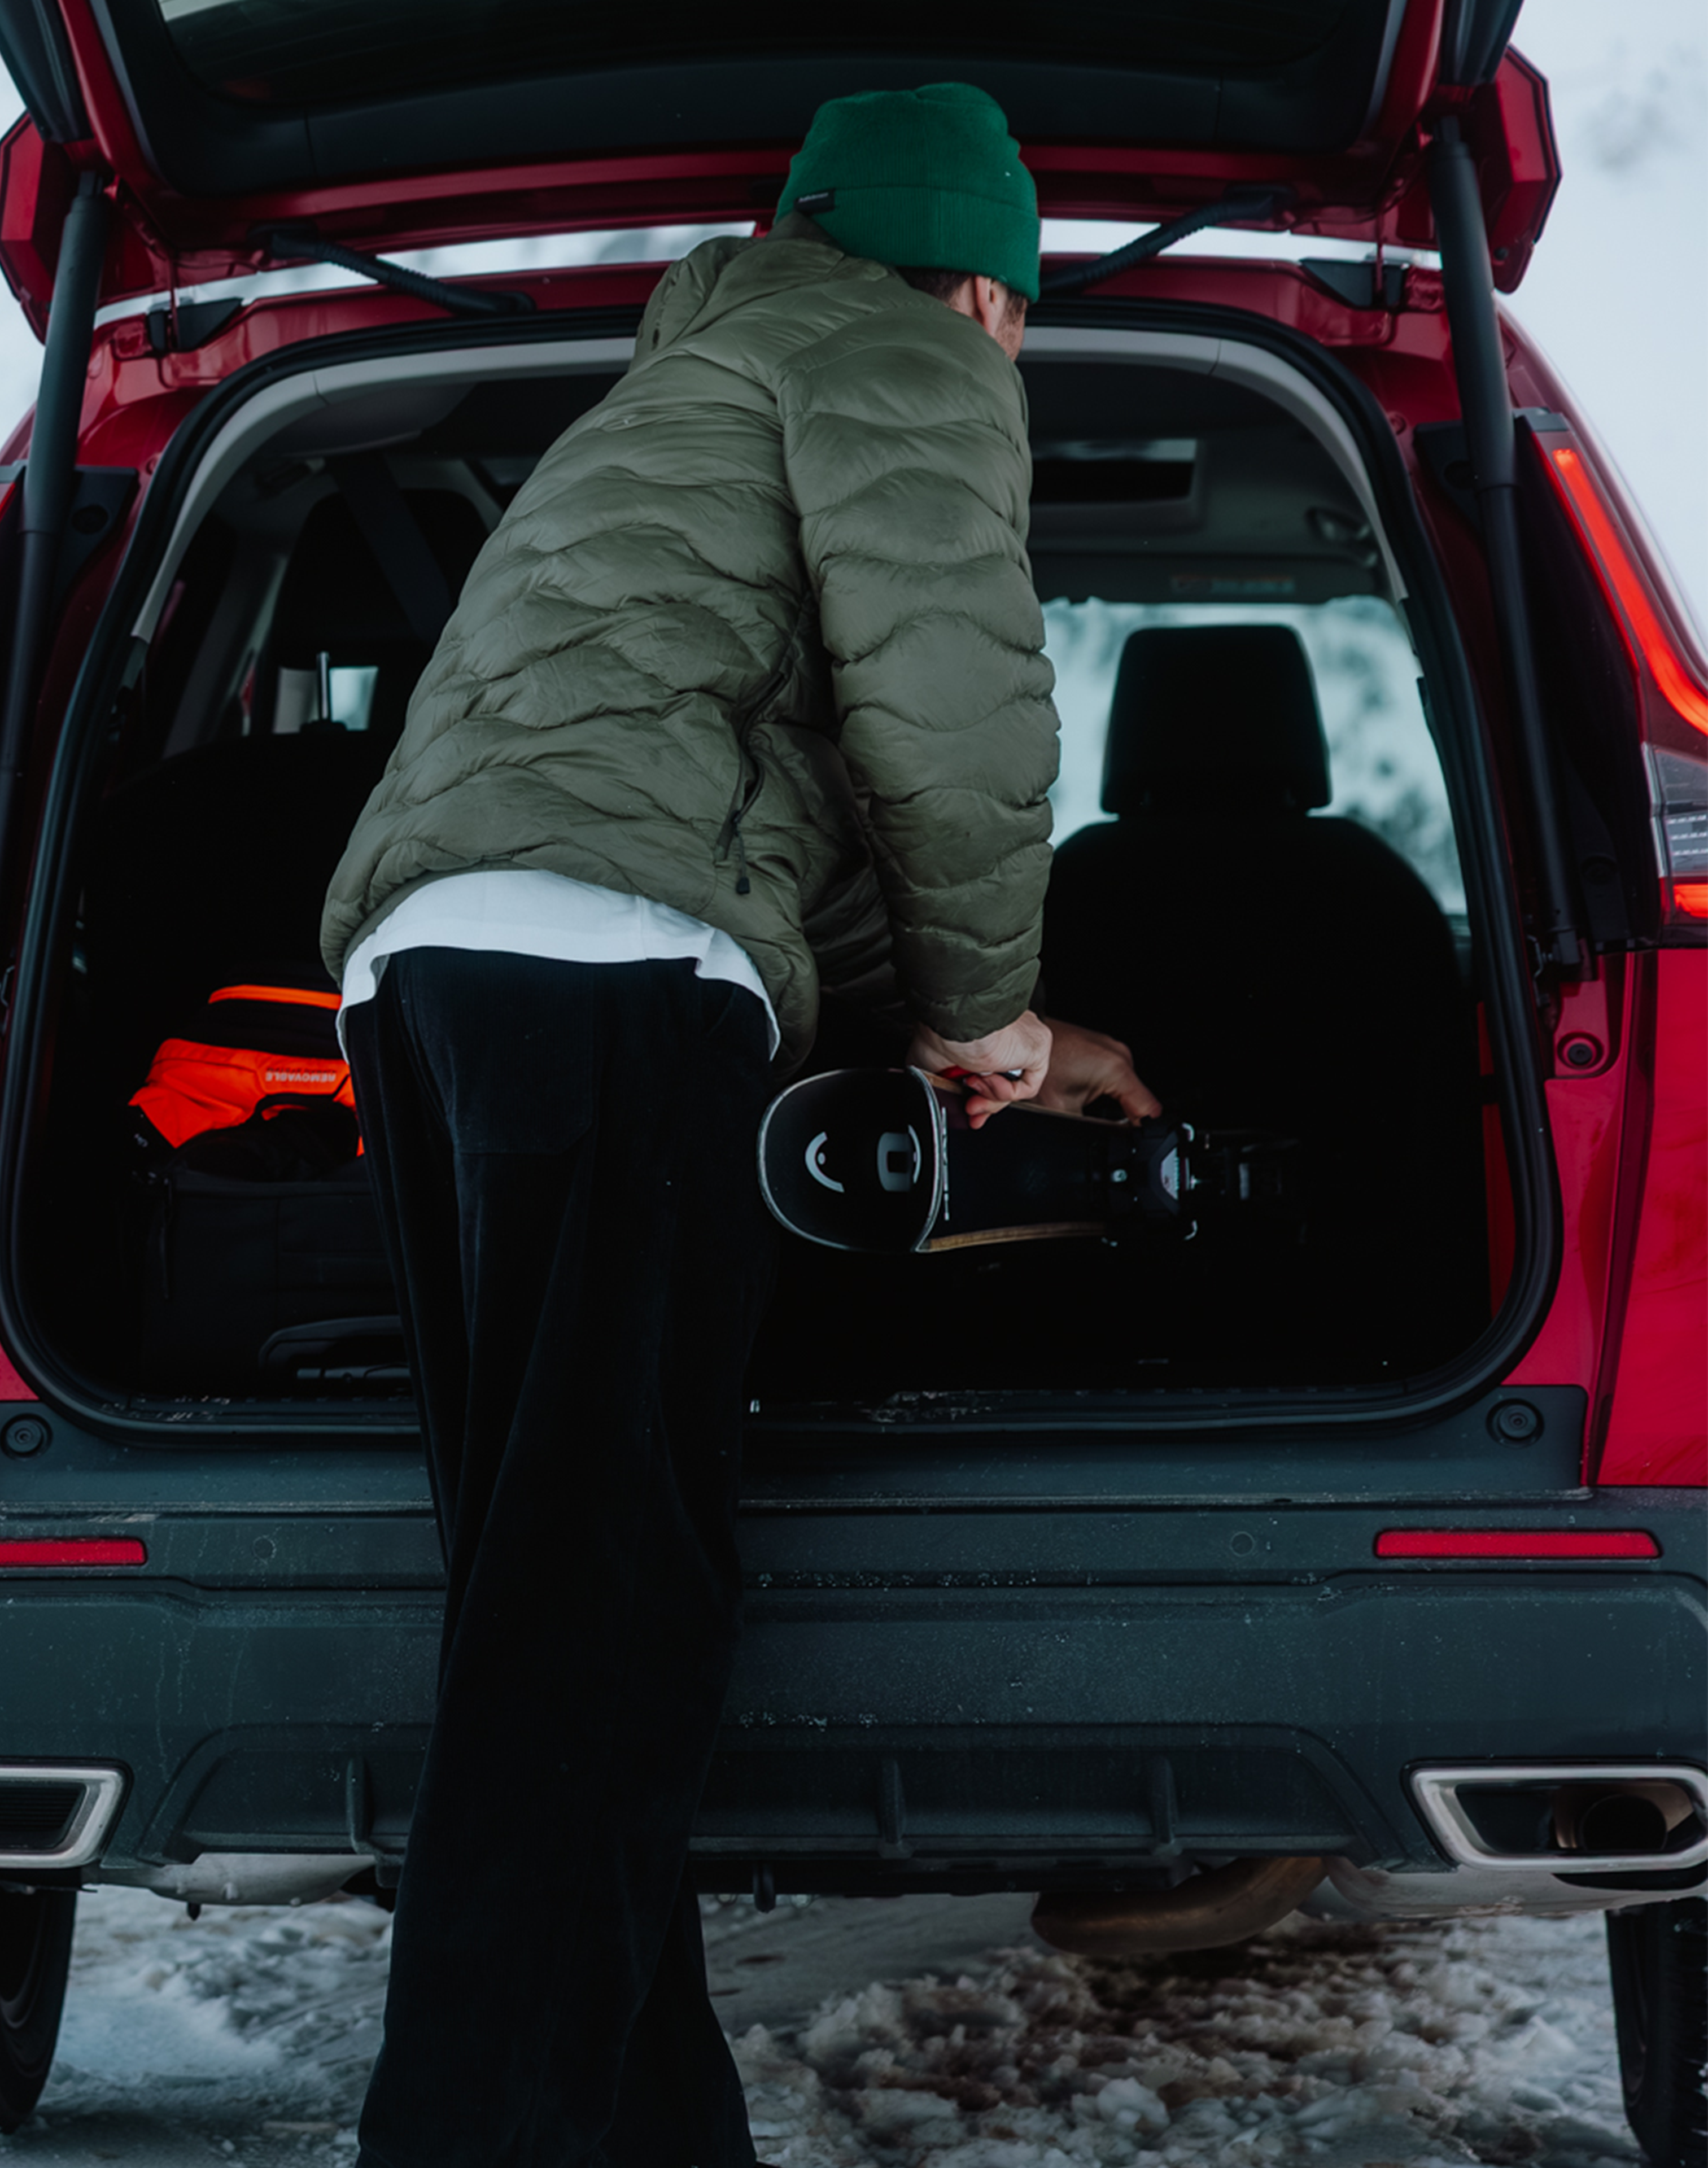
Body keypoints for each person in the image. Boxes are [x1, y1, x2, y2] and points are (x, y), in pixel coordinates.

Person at [320, 82, 1158, 2168]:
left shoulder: (689, 386)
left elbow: (785, 795)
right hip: (612, 973)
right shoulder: (904, 360)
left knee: (559, 1600)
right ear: (983, 280)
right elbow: (952, 713)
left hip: (431, 977)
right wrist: (993, 1025)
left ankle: (647, 2127)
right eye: (1023, 316)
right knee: (595, 1620)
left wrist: (966, 1011)